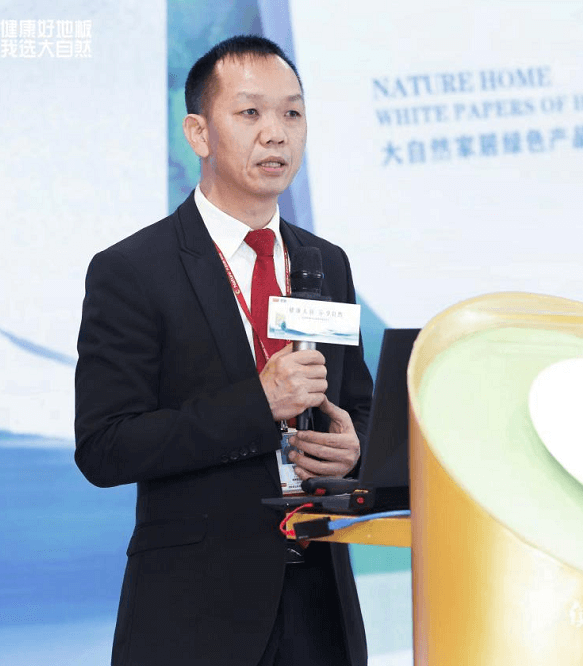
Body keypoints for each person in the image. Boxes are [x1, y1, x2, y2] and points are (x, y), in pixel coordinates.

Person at [74, 35, 374, 666]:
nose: (276, 133)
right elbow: (105, 446)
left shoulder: (327, 263)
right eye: (250, 112)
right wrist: (257, 404)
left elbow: (358, 406)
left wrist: (355, 451)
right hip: (195, 611)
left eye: (292, 113)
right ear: (199, 133)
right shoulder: (134, 270)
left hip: (320, 603)